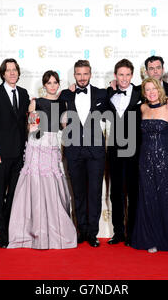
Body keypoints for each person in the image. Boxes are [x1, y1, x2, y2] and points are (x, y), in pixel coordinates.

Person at [8, 71, 77, 249]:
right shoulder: (35, 102)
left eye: (55, 83)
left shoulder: (63, 103)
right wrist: (36, 127)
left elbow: (63, 126)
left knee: (52, 183)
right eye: (49, 83)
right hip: (37, 144)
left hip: (52, 144)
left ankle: (53, 229)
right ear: (44, 84)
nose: (52, 86)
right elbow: (31, 126)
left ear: (58, 84)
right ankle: (33, 230)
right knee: (35, 182)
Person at [59, 60, 108, 247]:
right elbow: (54, 115)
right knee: (78, 193)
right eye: (78, 74)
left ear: (90, 74)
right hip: (74, 150)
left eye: (85, 74)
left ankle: (93, 233)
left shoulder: (102, 94)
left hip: (95, 151)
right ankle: (81, 231)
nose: (82, 77)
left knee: (94, 193)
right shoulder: (65, 94)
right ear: (74, 75)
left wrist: (113, 85)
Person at [0, 58, 30, 248]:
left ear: (18, 73)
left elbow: (28, 121)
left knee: (13, 195)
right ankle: (3, 233)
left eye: (14, 70)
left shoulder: (24, 93)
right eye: (8, 70)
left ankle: (12, 228)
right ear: (3, 74)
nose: (12, 73)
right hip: (0, 154)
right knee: (0, 194)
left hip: (20, 154)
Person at [131, 78, 168, 253]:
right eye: (147, 89)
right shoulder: (142, 108)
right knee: (147, 198)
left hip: (164, 160)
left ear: (159, 89)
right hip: (144, 160)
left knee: (164, 199)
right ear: (144, 92)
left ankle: (167, 239)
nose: (151, 92)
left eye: (154, 88)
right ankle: (149, 239)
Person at [106, 59, 141, 246]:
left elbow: (167, 87)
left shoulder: (141, 92)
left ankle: (133, 232)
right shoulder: (108, 93)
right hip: (114, 149)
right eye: (121, 74)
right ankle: (118, 232)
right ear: (115, 76)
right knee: (116, 193)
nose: (124, 78)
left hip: (135, 150)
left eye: (127, 74)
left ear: (132, 76)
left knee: (133, 192)